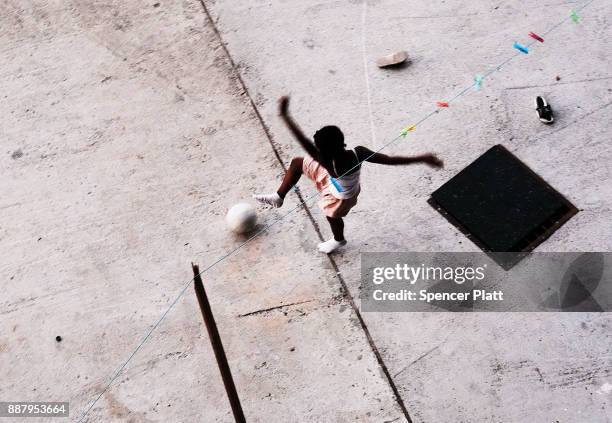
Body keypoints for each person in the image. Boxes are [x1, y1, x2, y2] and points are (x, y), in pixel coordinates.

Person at [254, 96, 443, 254]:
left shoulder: (326, 161)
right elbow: (390, 160)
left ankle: (338, 240)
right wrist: (421, 158)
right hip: (339, 183)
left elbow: (302, 140)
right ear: (342, 139)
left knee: (332, 216)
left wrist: (285, 115)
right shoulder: (358, 152)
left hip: (342, 197)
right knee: (297, 163)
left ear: (322, 151)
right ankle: (279, 197)